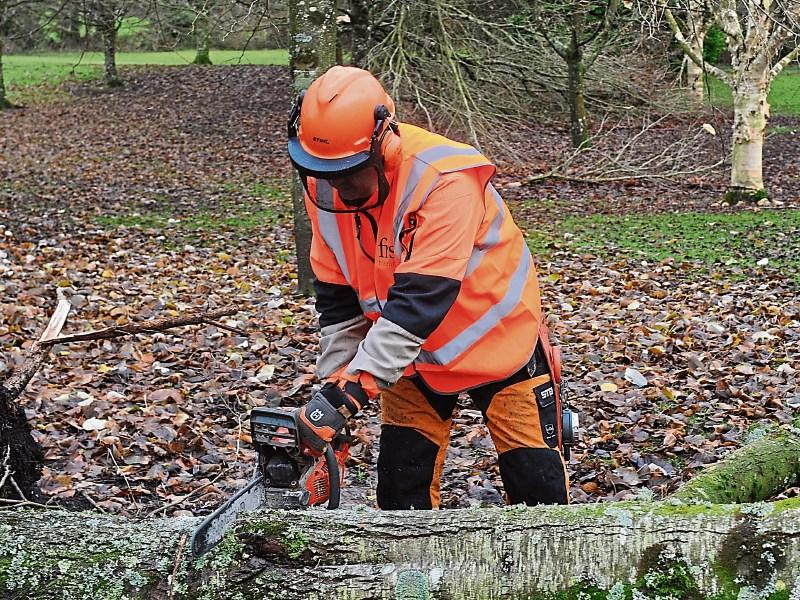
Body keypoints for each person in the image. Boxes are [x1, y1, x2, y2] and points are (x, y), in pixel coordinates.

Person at [287, 65, 569, 509]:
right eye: (324, 172)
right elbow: (340, 304)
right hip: (407, 357)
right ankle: (410, 579)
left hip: (499, 339)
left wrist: (353, 391)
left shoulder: (443, 180)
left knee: (538, 489)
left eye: (350, 172)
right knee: (402, 493)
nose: (338, 186)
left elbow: (420, 301)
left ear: (385, 142)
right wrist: (333, 392)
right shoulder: (324, 190)